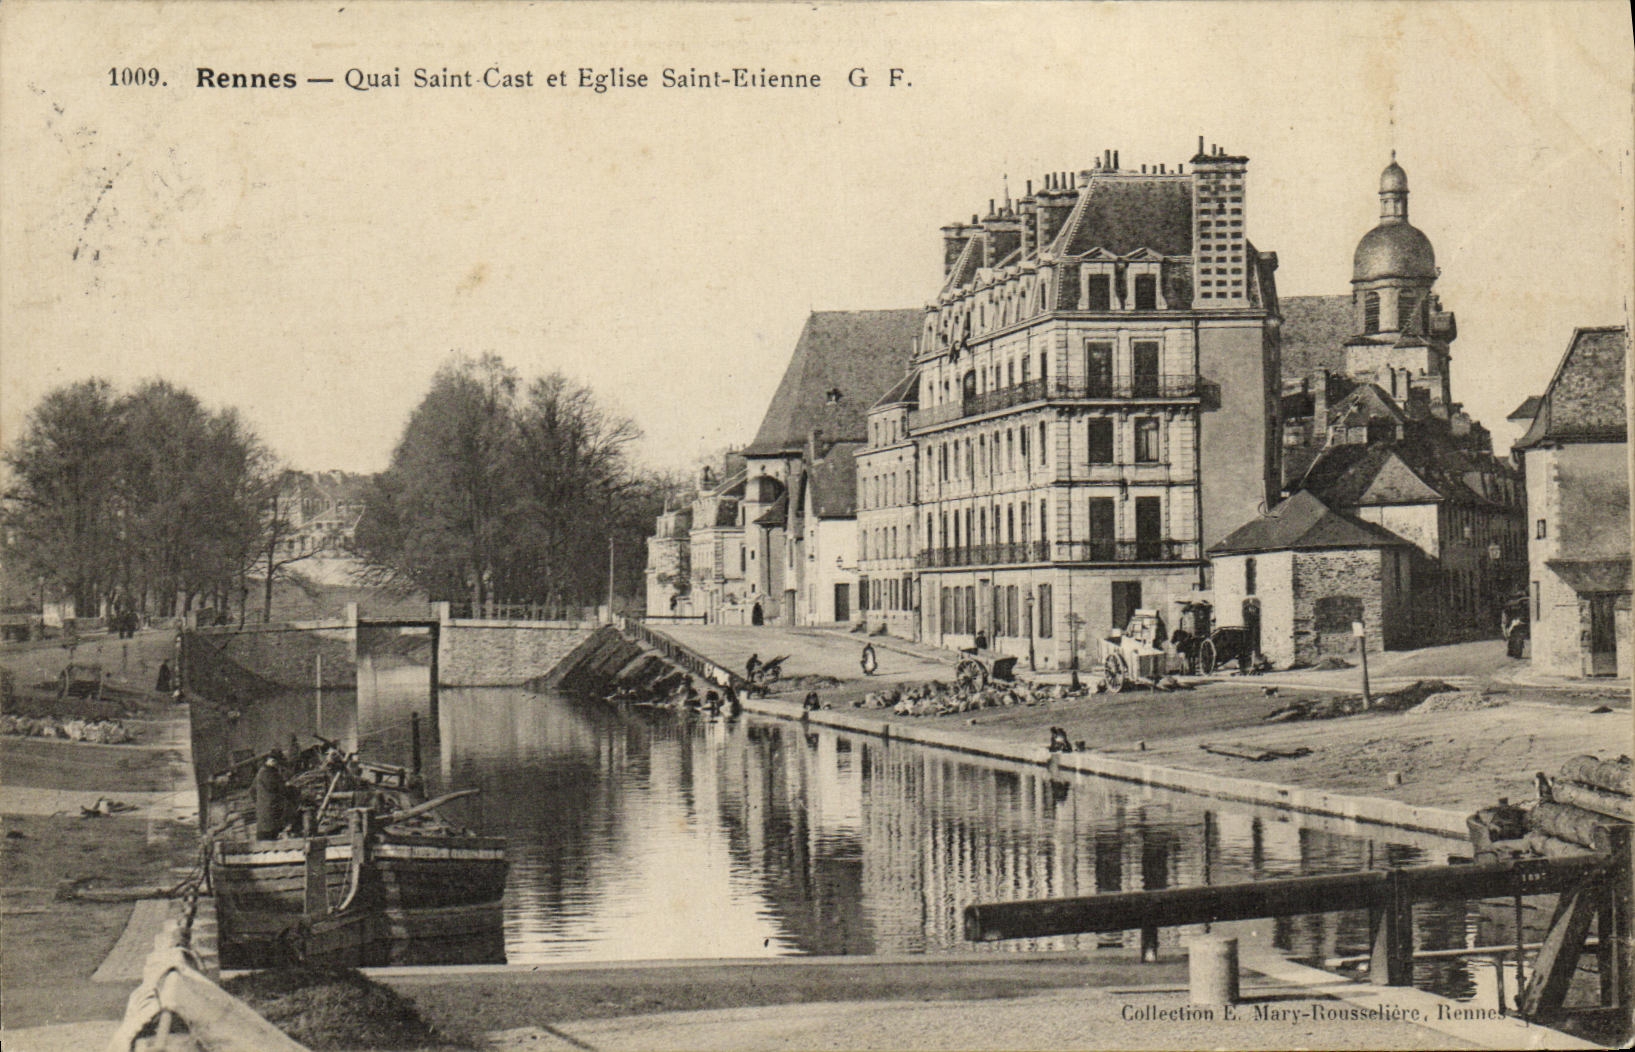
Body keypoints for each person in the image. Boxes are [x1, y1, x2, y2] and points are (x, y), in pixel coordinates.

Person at [253, 751, 288, 840]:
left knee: (264, 835)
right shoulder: (268, 773)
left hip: (264, 811)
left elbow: (252, 791)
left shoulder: (261, 772)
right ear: (273, 761)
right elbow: (279, 788)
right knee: (269, 838)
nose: (278, 766)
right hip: (271, 811)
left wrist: (259, 803)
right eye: (277, 763)